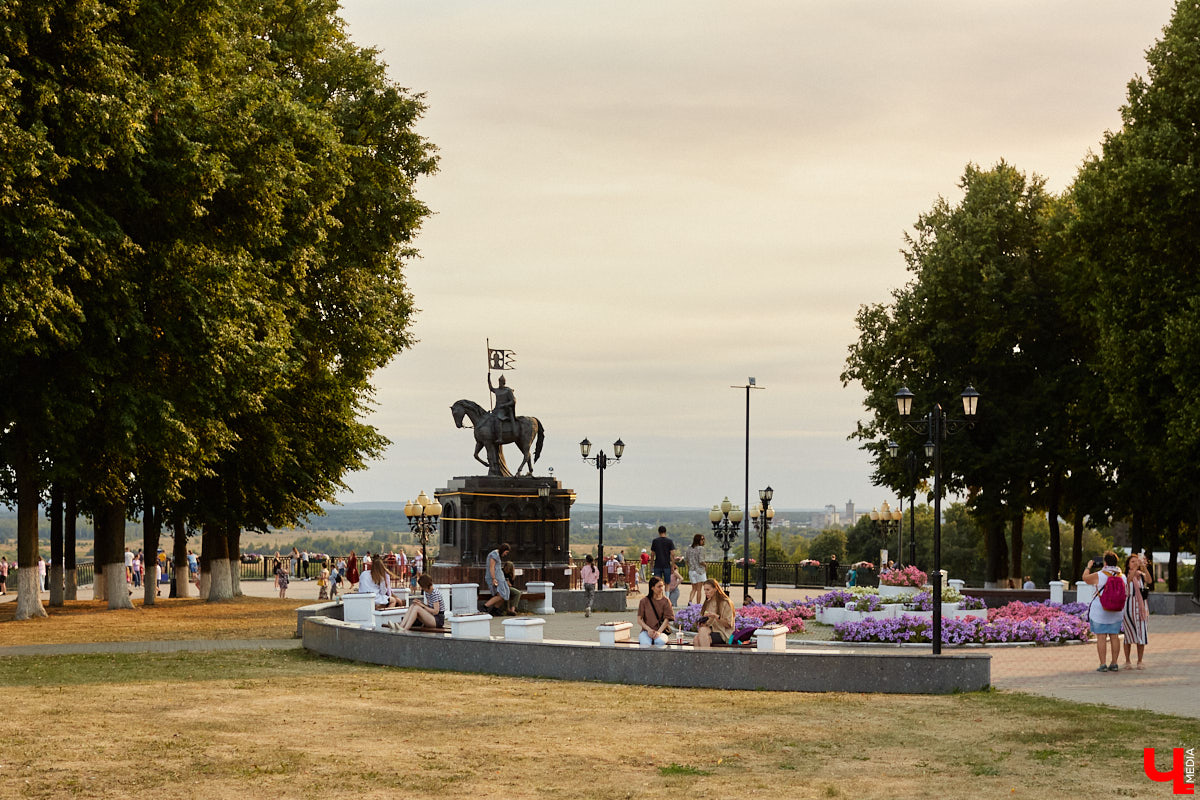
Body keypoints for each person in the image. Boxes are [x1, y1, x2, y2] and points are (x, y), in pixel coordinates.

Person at [1083, 551, 1126, 672]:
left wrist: (1088, 566)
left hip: (1100, 611)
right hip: (1117, 611)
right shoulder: (1122, 576)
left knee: (1101, 637)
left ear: (1105, 562)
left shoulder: (1100, 575)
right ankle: (1114, 663)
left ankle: (1103, 664)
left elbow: (1085, 578)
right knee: (1114, 636)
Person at [1122, 552, 1151, 669]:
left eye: (1136, 561)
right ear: (1128, 564)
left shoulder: (1141, 575)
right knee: (1128, 635)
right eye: (1132, 561)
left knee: (1141, 634)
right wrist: (1135, 569)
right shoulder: (1124, 576)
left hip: (1141, 607)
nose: (1135, 563)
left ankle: (1140, 661)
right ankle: (1127, 661)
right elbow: (1129, 580)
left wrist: (1144, 567)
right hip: (1129, 606)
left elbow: (1149, 580)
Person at [695, 580, 734, 649]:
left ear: (715, 589)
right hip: (711, 630)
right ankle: (704, 655)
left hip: (723, 632)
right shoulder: (708, 602)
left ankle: (705, 655)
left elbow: (729, 624)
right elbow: (708, 624)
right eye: (704, 590)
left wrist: (716, 616)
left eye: (708, 590)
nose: (705, 592)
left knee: (700, 636)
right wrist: (702, 622)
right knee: (697, 638)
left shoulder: (725, 602)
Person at [636, 576, 674, 647]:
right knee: (645, 643)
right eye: (659, 586)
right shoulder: (644, 601)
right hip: (646, 631)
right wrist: (649, 630)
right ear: (652, 588)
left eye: (662, 586)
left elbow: (667, 619)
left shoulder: (666, 601)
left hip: (661, 631)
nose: (661, 588)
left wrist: (659, 632)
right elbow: (639, 620)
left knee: (660, 641)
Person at [482, 543, 512, 614]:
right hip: (495, 577)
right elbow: (491, 567)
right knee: (500, 595)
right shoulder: (494, 555)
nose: (505, 554)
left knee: (505, 594)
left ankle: (495, 609)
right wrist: (493, 578)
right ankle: (485, 606)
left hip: (500, 578)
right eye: (506, 552)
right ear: (503, 550)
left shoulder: (497, 555)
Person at [683, 534, 707, 606]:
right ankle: (698, 605)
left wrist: (690, 566)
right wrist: (706, 565)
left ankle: (690, 601)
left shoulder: (689, 548)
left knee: (693, 589)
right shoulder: (701, 548)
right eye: (702, 539)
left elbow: (686, 559)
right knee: (699, 590)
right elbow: (701, 561)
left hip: (691, 570)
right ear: (698, 540)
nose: (703, 541)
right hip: (699, 571)